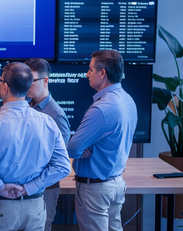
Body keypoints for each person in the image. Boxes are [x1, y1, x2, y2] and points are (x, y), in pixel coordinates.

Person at [0, 62, 70, 231]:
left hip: (1, 207)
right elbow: (62, 167)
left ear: (4, 86)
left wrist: (2, 187)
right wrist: (28, 188)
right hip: (35, 207)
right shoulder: (48, 122)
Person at [67, 50, 137, 231]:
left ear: (103, 73)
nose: (87, 74)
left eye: (90, 69)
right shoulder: (128, 100)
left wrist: (80, 147)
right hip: (115, 184)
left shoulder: (101, 109)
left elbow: (73, 148)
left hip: (95, 190)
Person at [24, 58, 71, 231]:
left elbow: (59, 160)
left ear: (45, 81)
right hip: (24, 187)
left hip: (45, 187)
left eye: (31, 80)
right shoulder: (26, 108)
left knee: (42, 226)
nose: (26, 84)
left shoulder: (55, 115)